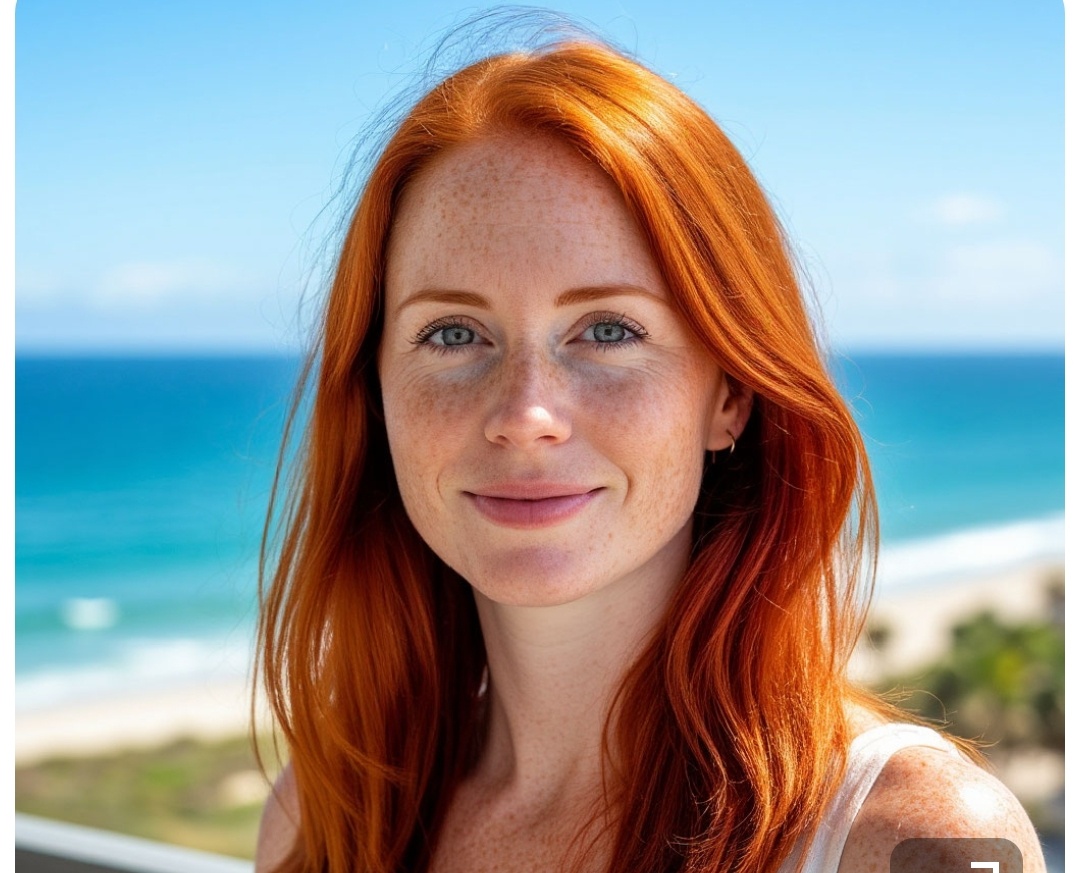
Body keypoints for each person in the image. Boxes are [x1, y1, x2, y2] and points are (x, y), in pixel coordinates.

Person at [253, 35, 1046, 873]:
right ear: (374, 392)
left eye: (607, 329)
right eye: (452, 333)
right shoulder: (317, 819)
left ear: (730, 392)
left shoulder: (913, 835)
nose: (525, 415)